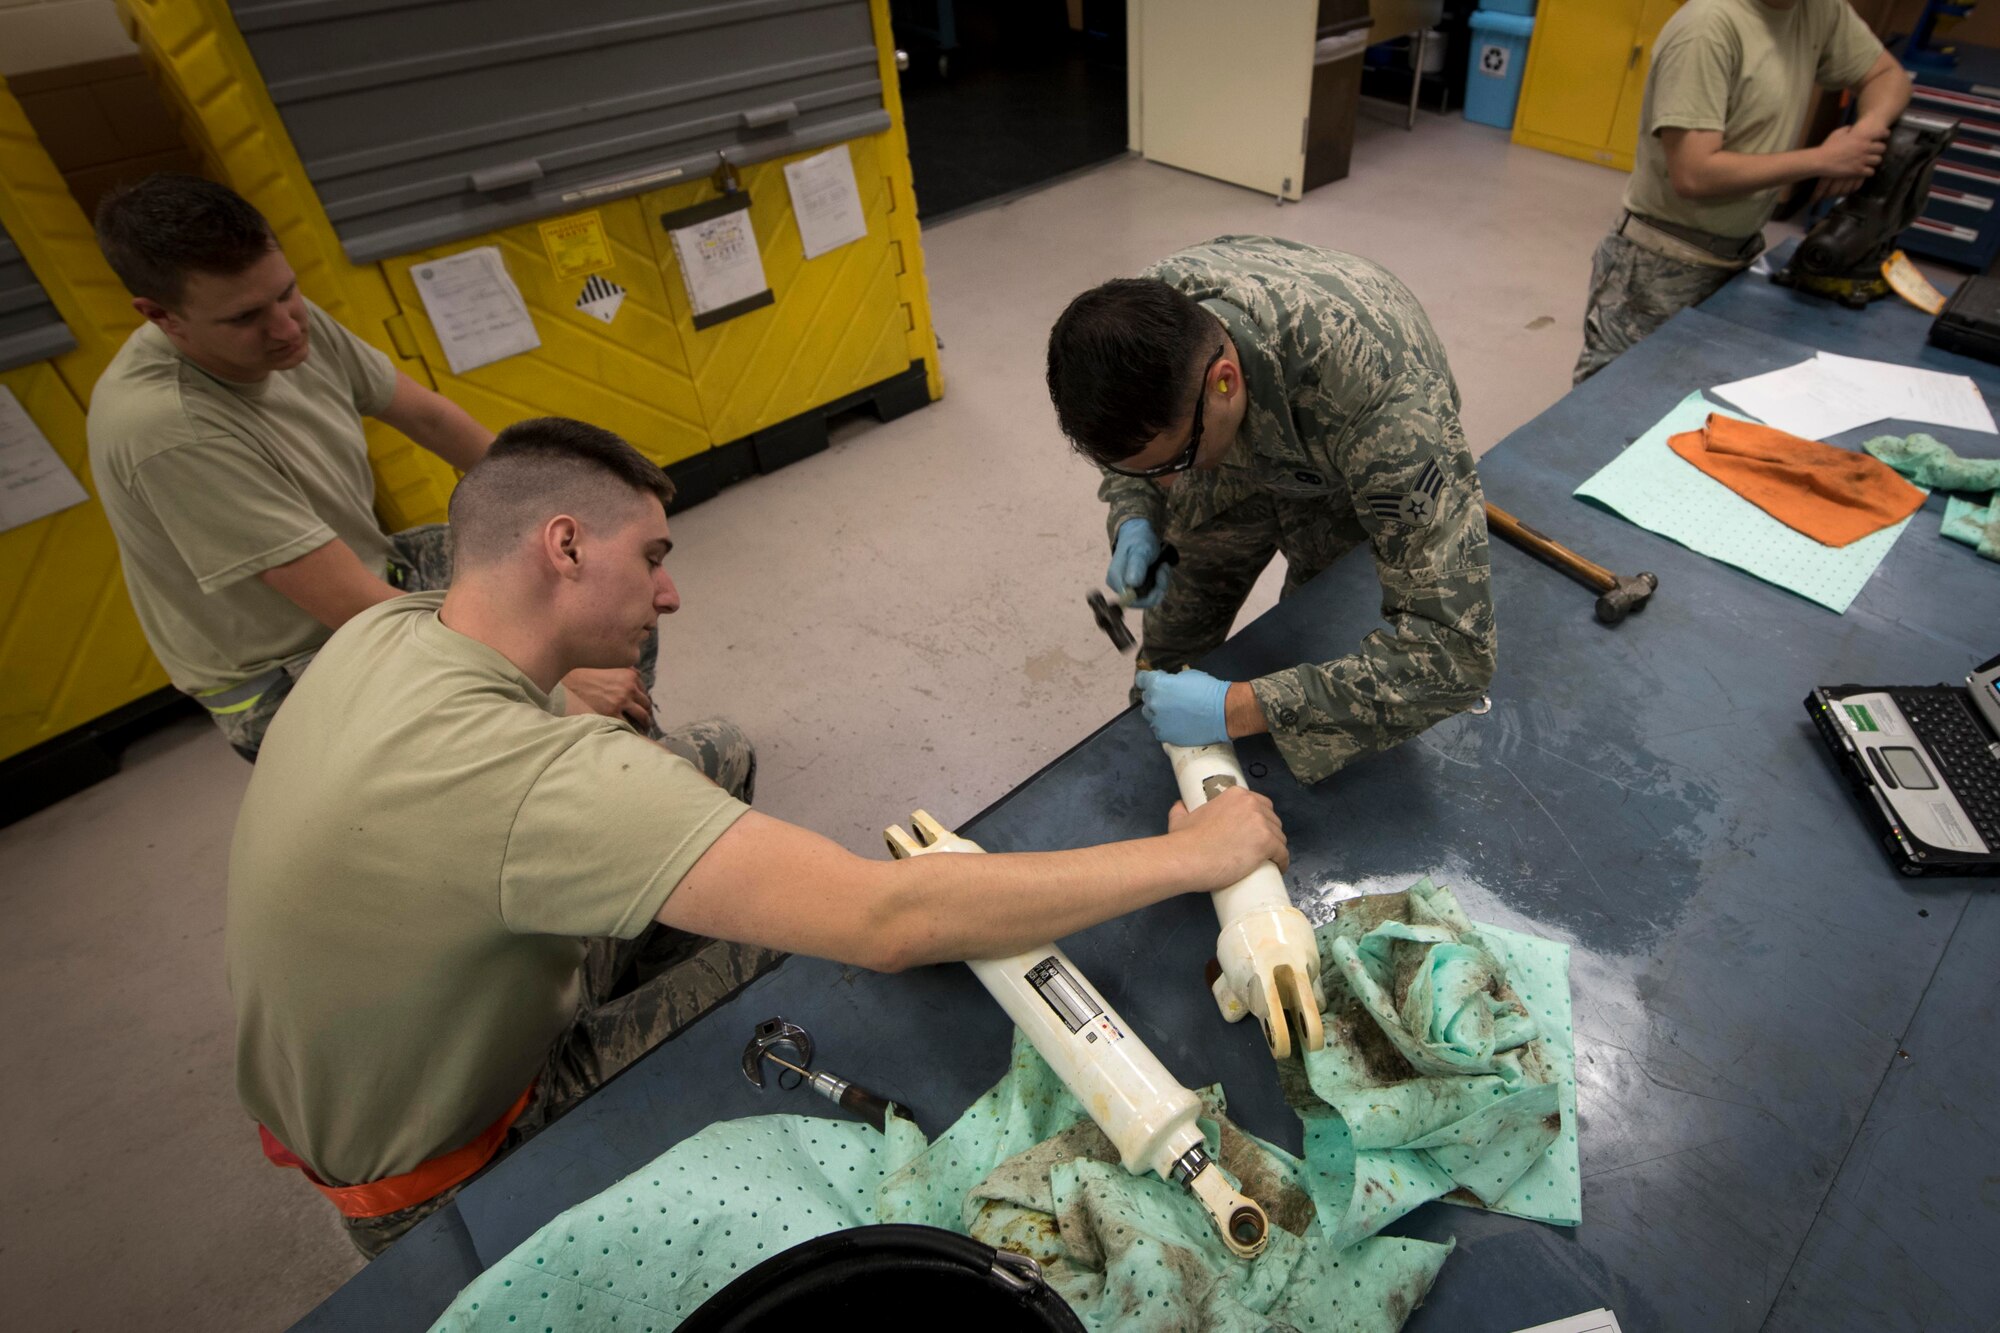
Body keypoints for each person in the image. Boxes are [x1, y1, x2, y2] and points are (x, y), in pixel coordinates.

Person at [226, 416, 1288, 1256]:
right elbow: (887, 918)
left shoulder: (389, 628)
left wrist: (560, 693)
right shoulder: (538, 787)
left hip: (407, 1021)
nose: (669, 592)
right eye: (650, 557)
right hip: (442, 1156)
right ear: (563, 546)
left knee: (713, 752)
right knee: (819, 944)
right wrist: (1199, 853)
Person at [86, 174, 652, 759]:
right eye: (244, 318)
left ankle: (622, 758)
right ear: (161, 316)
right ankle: (605, 774)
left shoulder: (291, 327)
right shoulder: (167, 429)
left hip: (372, 571)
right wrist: (556, 679)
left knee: (599, 575)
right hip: (291, 665)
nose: (284, 326)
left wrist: (579, 506)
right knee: (546, 705)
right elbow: (347, 602)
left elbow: (432, 420)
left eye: (287, 293)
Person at [1046, 235, 1497, 787]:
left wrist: (1235, 708)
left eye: (1172, 462)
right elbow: (1141, 453)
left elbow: (1454, 656)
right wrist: (1134, 514)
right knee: (1168, 656)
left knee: (1318, 637)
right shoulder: (1145, 329)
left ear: (1224, 382)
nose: (1168, 486)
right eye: (1148, 468)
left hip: (1342, 468)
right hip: (1223, 451)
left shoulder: (1388, 407)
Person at [1572, 0, 1912, 383]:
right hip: (1661, 259)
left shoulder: (1818, 9)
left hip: (1736, 251)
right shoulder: (1706, 28)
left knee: (1680, 401)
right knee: (1613, 398)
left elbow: (1886, 74)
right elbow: (1694, 174)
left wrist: (1865, 132)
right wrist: (1824, 159)